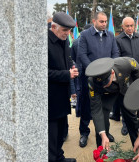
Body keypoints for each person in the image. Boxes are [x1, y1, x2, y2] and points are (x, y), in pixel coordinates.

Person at [76, 12, 119, 148]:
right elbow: (82, 54)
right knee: (87, 106)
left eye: (105, 21)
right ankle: (84, 132)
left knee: (104, 107)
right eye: (101, 21)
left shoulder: (110, 35)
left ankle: (104, 132)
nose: (104, 24)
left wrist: (111, 69)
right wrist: (93, 71)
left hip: (107, 77)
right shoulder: (84, 35)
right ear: (94, 21)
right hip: (89, 77)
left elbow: (115, 54)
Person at [85, 57, 139, 150]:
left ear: (112, 73)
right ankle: (102, 152)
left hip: (125, 89)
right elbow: (96, 110)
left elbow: (136, 67)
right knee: (102, 117)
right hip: (107, 94)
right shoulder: (92, 82)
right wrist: (103, 134)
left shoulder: (124, 64)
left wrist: (134, 84)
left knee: (131, 117)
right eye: (101, 85)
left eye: (106, 83)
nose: (104, 86)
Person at [48, 12, 79, 162]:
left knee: (62, 131)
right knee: (52, 135)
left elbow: (67, 61)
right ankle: (52, 159)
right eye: (64, 30)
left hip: (63, 95)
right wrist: (67, 74)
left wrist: (72, 69)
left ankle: (59, 157)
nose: (68, 34)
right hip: (50, 97)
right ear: (53, 27)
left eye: (69, 31)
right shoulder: (44, 42)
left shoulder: (65, 41)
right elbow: (42, 72)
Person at [114, 17, 139, 136]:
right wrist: (129, 68)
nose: (130, 28)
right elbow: (117, 57)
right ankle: (126, 124)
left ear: (134, 26)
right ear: (122, 27)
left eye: (132, 26)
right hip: (126, 76)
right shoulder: (118, 40)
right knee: (127, 100)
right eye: (127, 26)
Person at [70, 23, 92, 143]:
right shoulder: (76, 43)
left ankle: (105, 132)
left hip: (97, 78)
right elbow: (73, 57)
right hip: (83, 77)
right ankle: (84, 133)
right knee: (84, 106)